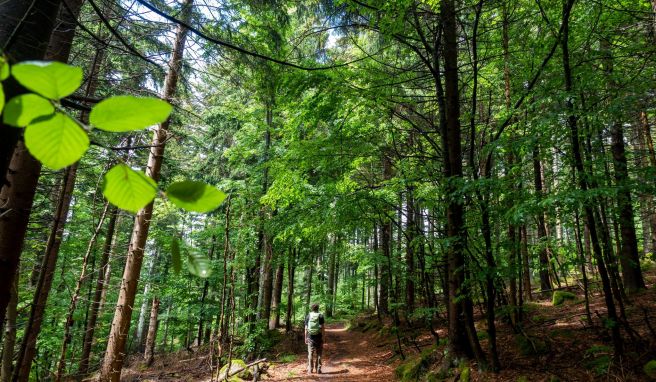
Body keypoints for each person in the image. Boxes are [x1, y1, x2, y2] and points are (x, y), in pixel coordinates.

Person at [304, 303, 325, 374]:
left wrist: (305, 337)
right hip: (319, 337)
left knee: (310, 354)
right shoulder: (321, 316)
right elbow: (322, 328)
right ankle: (318, 369)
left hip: (310, 337)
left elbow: (306, 328)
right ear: (318, 308)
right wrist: (323, 337)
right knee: (319, 354)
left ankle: (310, 369)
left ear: (311, 308)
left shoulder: (308, 316)